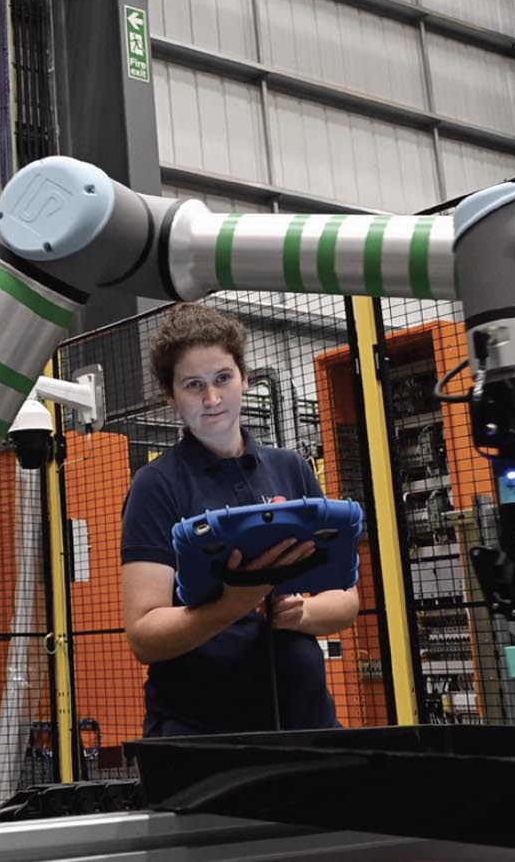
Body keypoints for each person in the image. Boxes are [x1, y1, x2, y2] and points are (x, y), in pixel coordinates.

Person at [119, 303, 360, 736]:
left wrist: (301, 614)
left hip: (307, 725)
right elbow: (144, 635)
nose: (211, 399)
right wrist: (230, 606)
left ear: (244, 379)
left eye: (222, 379)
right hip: (203, 734)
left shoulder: (291, 469)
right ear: (170, 395)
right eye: (194, 385)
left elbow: (345, 600)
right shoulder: (156, 485)